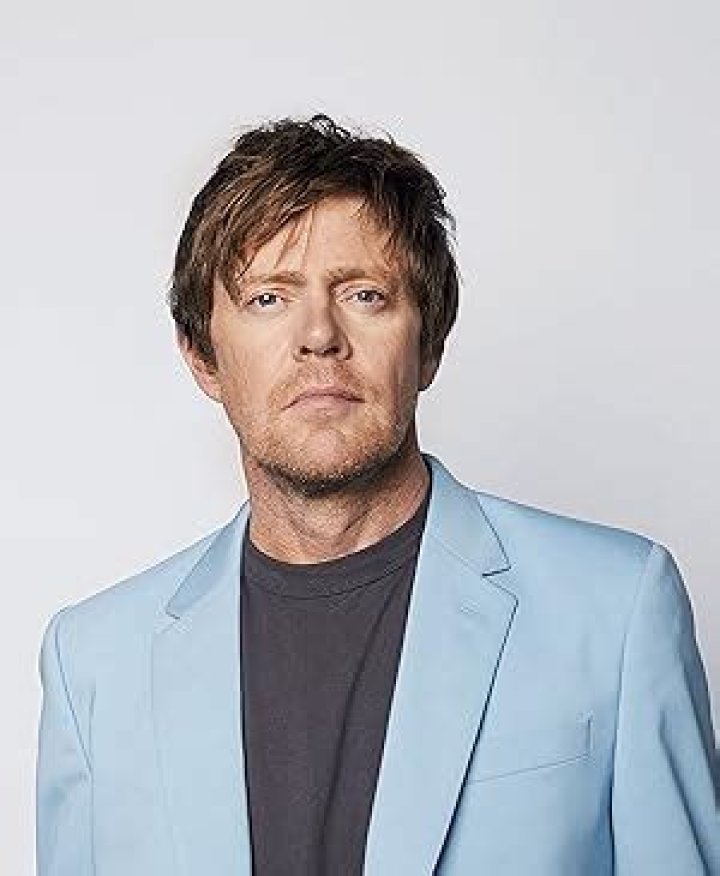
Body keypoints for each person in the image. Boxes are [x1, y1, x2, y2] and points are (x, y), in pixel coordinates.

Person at [36, 115, 719, 876]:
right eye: (268, 298)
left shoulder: (617, 611)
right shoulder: (92, 664)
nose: (319, 336)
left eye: (364, 294)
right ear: (202, 356)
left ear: (429, 345)